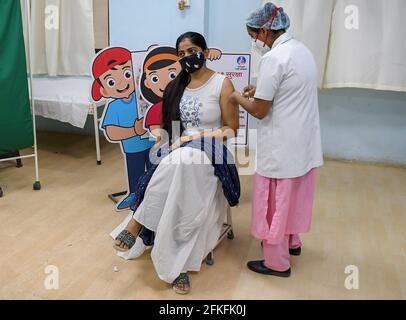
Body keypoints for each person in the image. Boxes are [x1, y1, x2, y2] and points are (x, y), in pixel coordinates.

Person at [110, 32, 240, 294]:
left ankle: (138, 221)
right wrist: (165, 141)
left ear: (204, 50)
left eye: (191, 51)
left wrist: (193, 139)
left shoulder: (222, 84)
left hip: (213, 148)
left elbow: (231, 129)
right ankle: (174, 261)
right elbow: (173, 129)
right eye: (181, 54)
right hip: (180, 150)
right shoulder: (175, 87)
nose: (186, 57)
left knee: (184, 159)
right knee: (179, 166)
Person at [230, 2, 323, 277]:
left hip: (282, 146)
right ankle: (292, 242)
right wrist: (260, 89)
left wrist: (236, 97)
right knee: (293, 195)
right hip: (302, 142)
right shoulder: (300, 50)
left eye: (253, 36)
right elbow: (289, 87)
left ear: (265, 30)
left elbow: (259, 110)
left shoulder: (274, 58)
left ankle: (276, 262)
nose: (254, 42)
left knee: (275, 202)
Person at [91, 47, 154, 211]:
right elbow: (111, 132)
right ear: (104, 90)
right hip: (132, 148)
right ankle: (134, 195)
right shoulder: (113, 107)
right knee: (136, 172)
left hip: (151, 142)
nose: (122, 83)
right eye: (111, 81)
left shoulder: (142, 95)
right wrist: (133, 131)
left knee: (155, 169)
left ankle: (154, 194)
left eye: (127, 74)